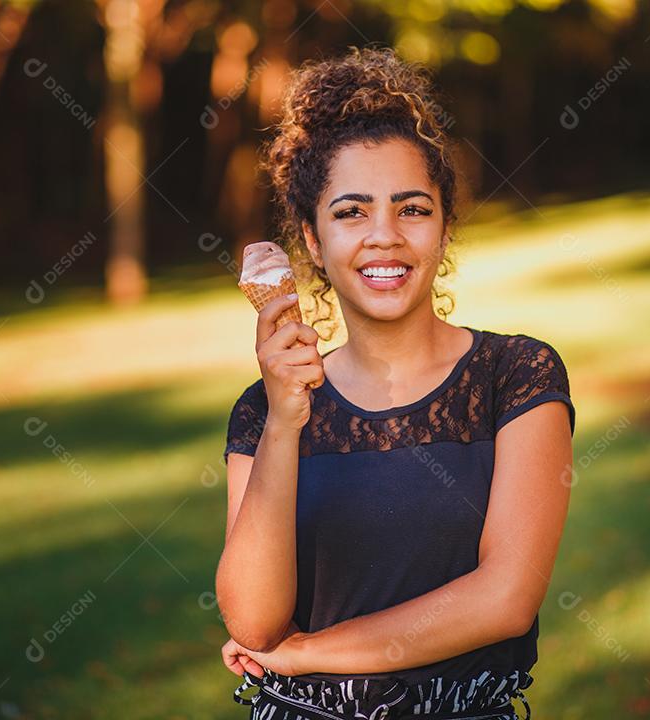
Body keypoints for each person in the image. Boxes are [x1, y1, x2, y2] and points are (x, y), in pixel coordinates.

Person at [215, 45, 576, 720]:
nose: (385, 236)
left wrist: (311, 654)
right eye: (352, 212)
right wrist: (287, 422)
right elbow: (256, 625)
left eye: (412, 208)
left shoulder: (517, 378)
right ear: (313, 242)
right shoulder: (264, 410)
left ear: (443, 228)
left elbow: (504, 600)